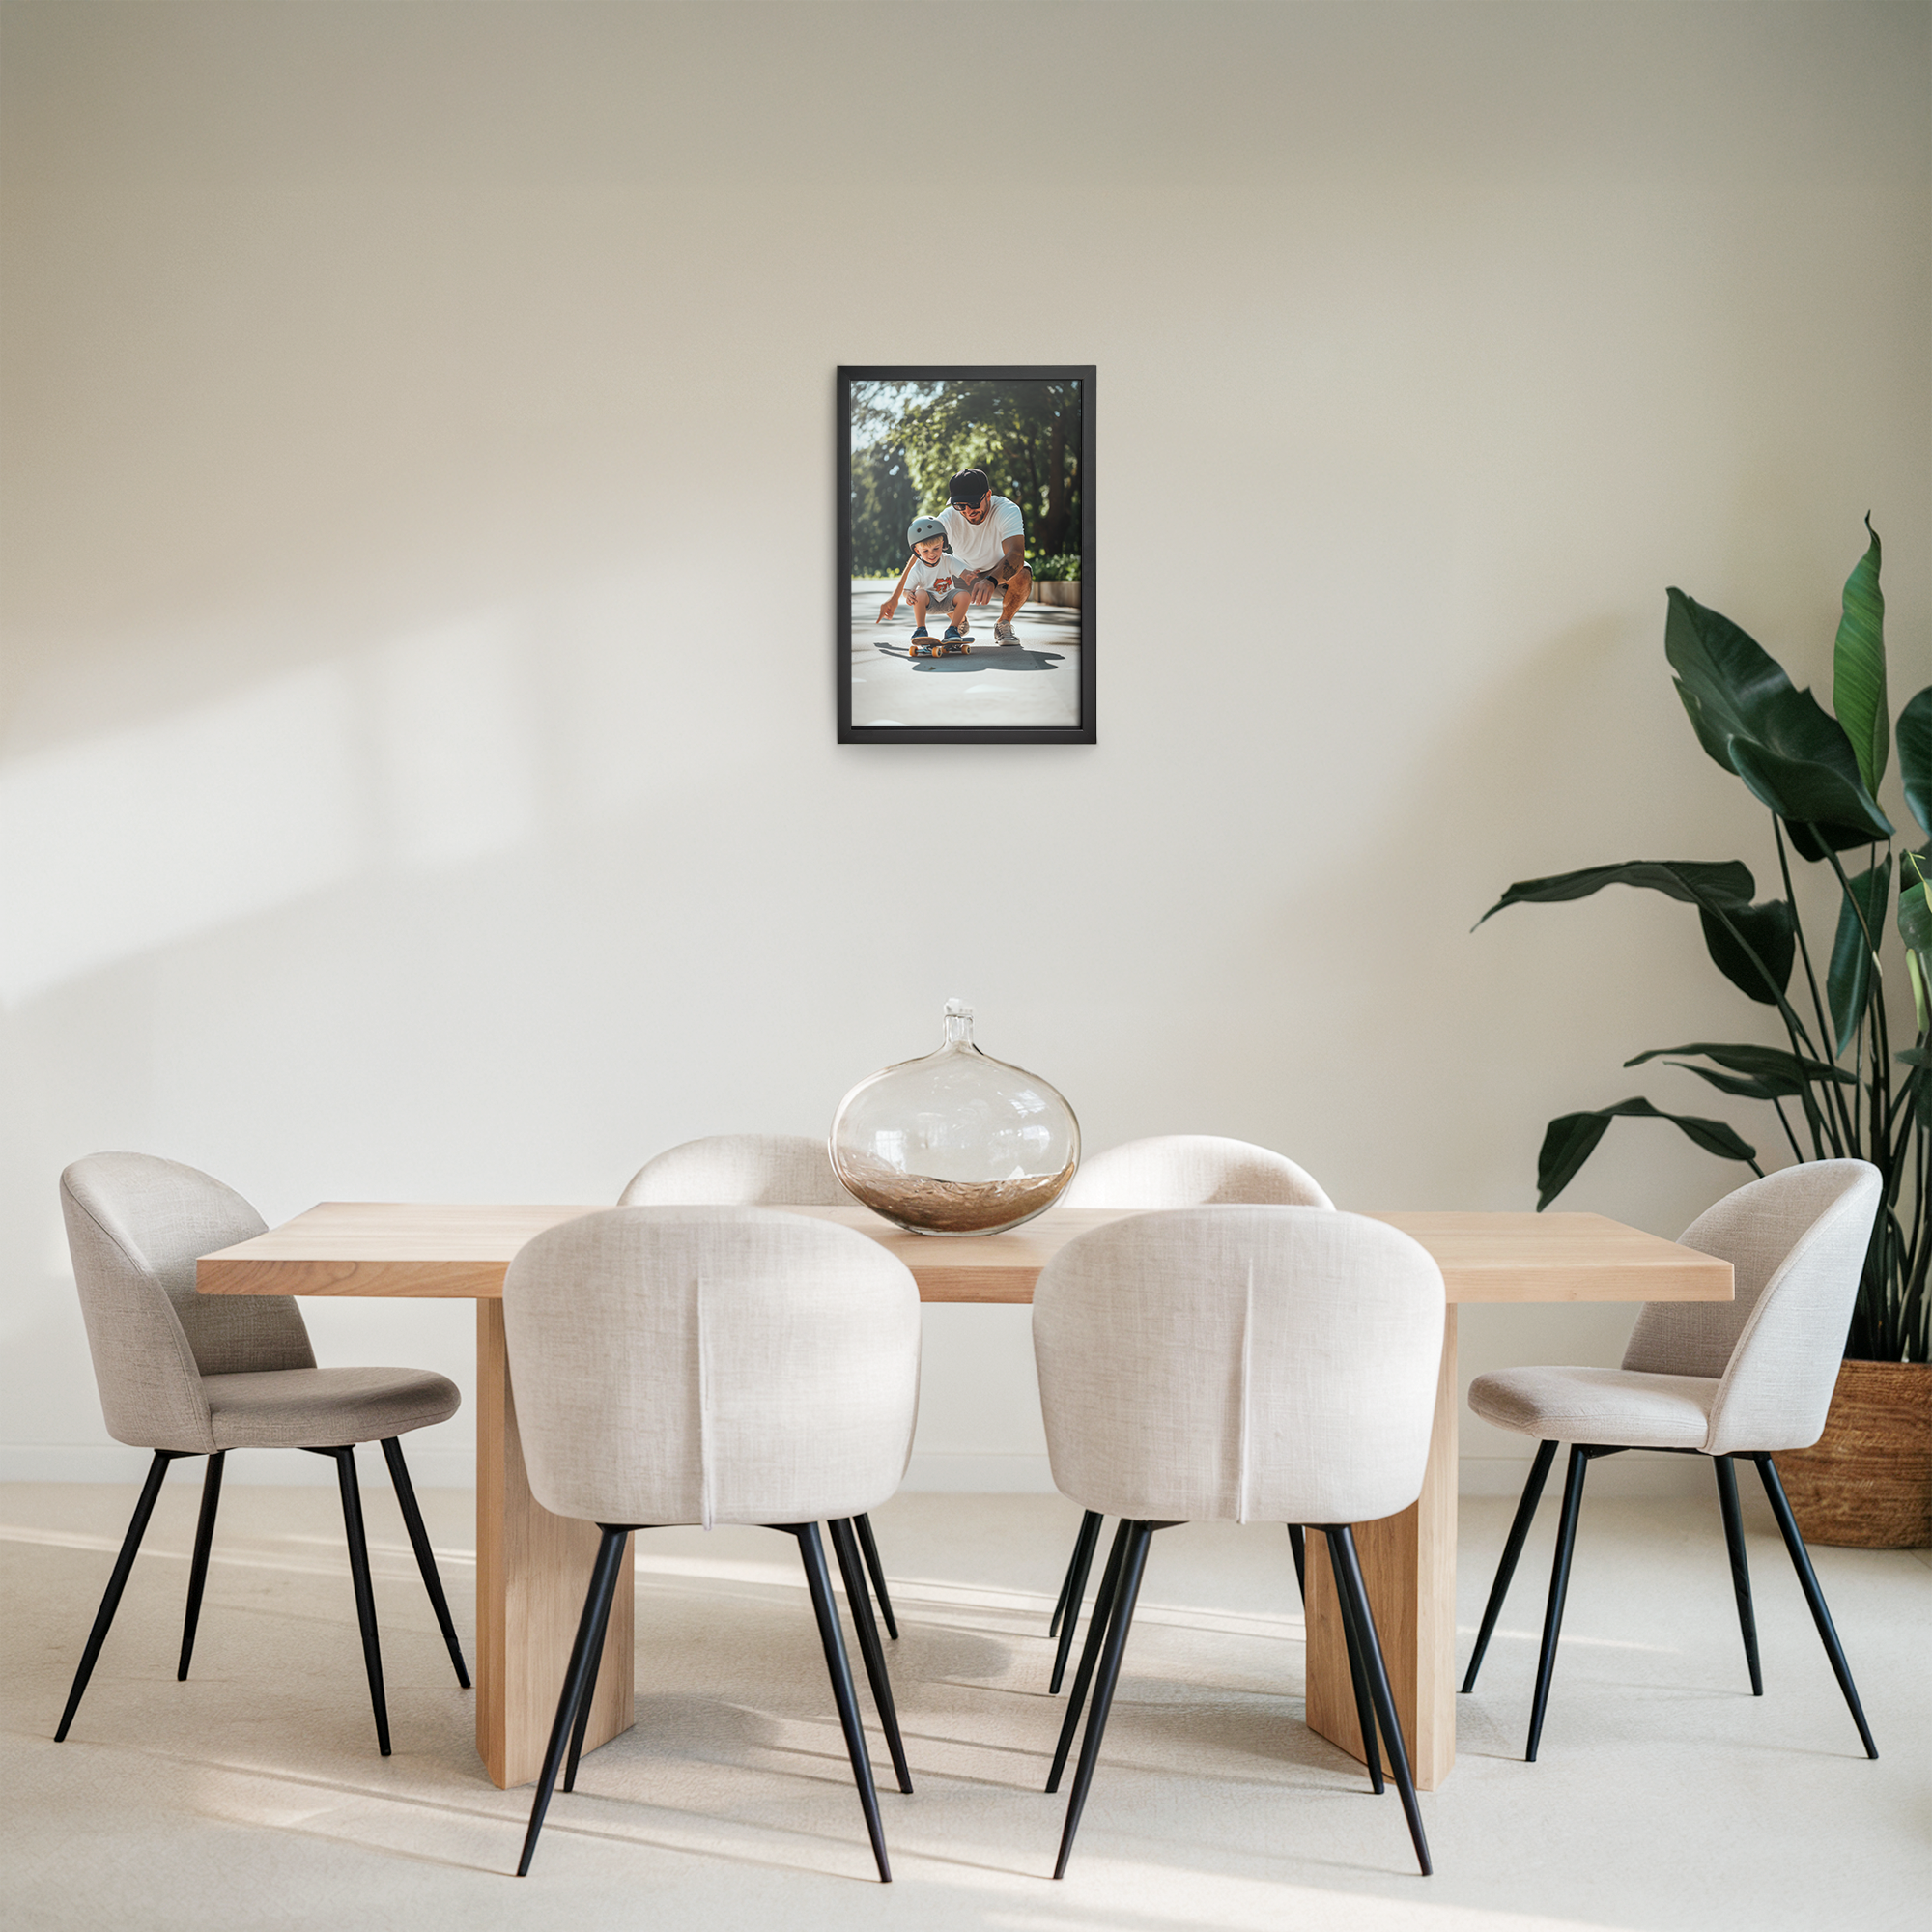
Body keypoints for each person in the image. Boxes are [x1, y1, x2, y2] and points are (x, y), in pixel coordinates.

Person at [940, 469, 1032, 647]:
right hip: (962, 573)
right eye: (960, 505)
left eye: (974, 503)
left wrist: (991, 580)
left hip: (999, 574)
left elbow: (1017, 555)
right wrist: (896, 596)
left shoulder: (1007, 510)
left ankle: (1004, 623)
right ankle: (958, 623)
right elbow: (921, 551)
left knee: (1023, 574)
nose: (967, 511)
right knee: (932, 575)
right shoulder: (947, 518)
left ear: (988, 495)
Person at [875, 515, 974, 654]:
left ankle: (953, 630)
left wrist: (967, 575)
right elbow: (907, 590)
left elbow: (962, 571)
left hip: (948, 600)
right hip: (930, 602)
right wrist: (908, 595)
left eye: (936, 548)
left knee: (964, 595)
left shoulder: (948, 560)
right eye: (925, 551)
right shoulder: (917, 568)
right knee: (919, 593)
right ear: (917, 551)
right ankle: (921, 629)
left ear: (943, 544)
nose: (932, 554)